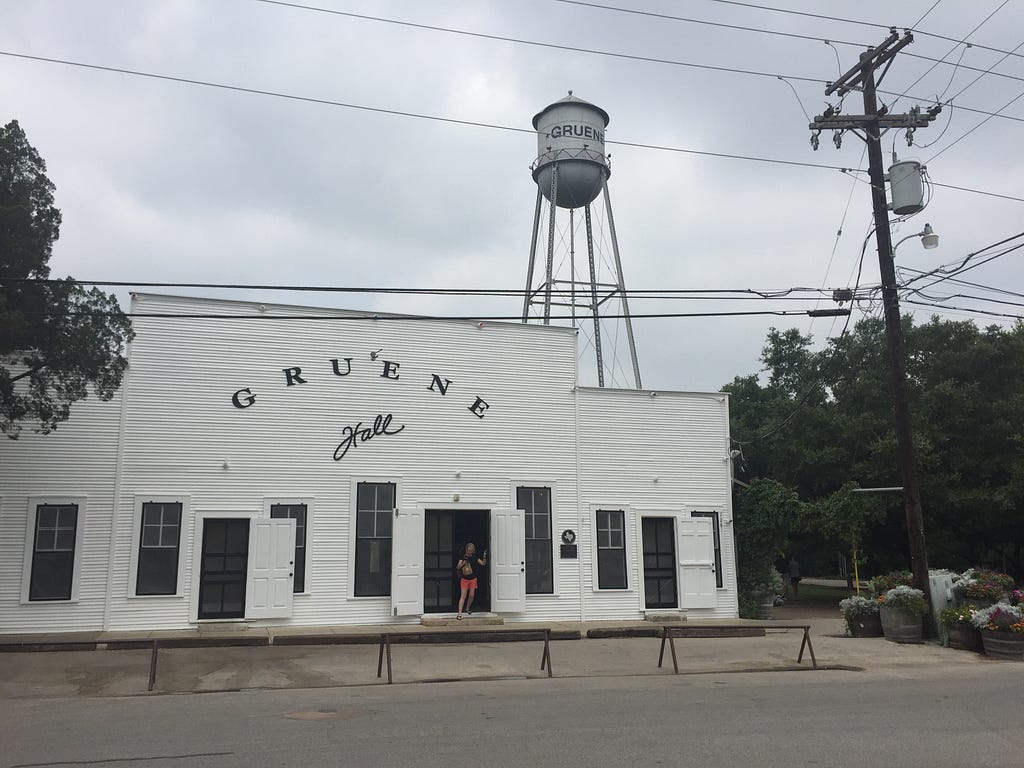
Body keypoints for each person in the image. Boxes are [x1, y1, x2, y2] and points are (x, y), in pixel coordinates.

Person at [456, 542, 487, 620]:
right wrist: (463, 563)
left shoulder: (474, 557)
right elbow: (458, 567)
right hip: (465, 579)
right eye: (468, 550)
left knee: (471, 595)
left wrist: (484, 556)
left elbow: (483, 564)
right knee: (463, 596)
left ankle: (467, 607)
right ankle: (459, 613)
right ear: (466, 549)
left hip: (473, 578)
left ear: (473, 550)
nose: (470, 552)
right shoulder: (463, 557)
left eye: (471, 550)